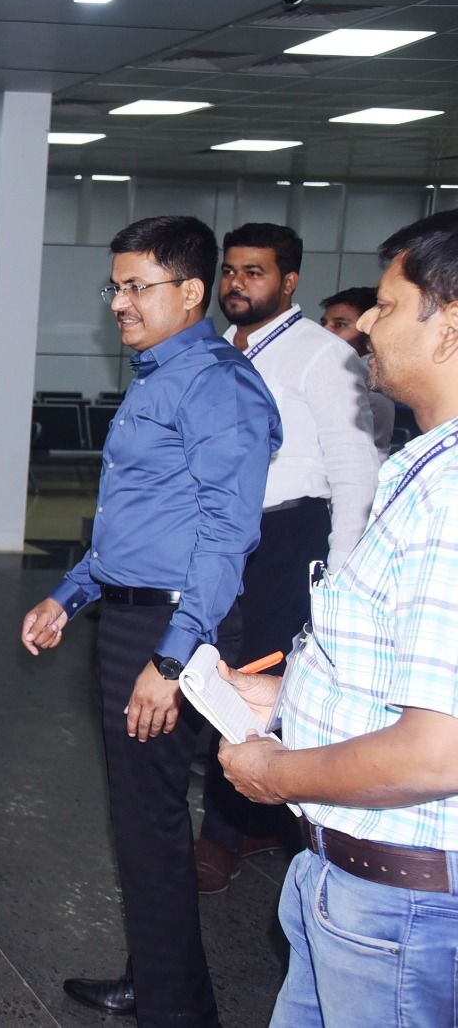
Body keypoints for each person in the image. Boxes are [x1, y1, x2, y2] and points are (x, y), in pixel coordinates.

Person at [19, 215, 280, 1026]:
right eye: (116, 286)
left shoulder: (217, 384)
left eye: (137, 286)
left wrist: (171, 661)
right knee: (141, 822)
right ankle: (157, 981)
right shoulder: (159, 373)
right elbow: (136, 523)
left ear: (191, 291)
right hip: (137, 617)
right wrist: (69, 595)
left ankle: (177, 1011)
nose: (119, 302)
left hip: (173, 629)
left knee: (152, 824)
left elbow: (225, 535)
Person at [218, 208, 458, 1028]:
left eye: (387, 307)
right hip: (354, 884)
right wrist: (288, 699)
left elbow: (438, 750)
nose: (367, 328)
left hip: (402, 907)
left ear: (450, 325)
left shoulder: (451, 498)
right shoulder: (425, 469)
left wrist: (276, 771)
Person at [194, 225, 381, 894]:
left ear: (289, 281)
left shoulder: (323, 355)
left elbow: (355, 469)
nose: (237, 283)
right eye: (231, 271)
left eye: (255, 272)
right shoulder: (214, 350)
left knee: (275, 677)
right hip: (223, 534)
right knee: (218, 677)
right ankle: (235, 820)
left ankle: (256, 831)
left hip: (291, 536)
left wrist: (342, 573)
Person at [320, 285, 396, 454]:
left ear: (368, 328)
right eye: (324, 323)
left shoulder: (365, 373)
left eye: (339, 324)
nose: (325, 331)